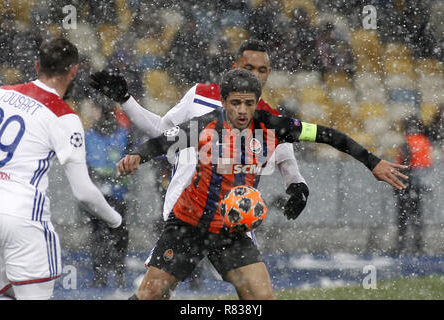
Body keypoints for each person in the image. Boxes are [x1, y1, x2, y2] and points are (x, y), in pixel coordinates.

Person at [116, 69, 407, 300]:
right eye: (235, 103)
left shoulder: (273, 126)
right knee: (152, 294)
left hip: (231, 229)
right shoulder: (205, 125)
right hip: (188, 224)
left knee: (262, 297)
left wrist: (372, 162)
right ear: (224, 101)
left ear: (256, 102)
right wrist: (137, 156)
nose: (242, 110)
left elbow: (328, 135)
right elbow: (163, 140)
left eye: (248, 103)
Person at [90, 39, 310, 226]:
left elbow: (289, 165)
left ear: (269, 73)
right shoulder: (200, 95)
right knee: (162, 278)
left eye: (261, 70)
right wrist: (126, 100)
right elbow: (162, 131)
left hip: (232, 220)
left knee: (254, 278)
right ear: (234, 67)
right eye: (248, 68)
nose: (255, 75)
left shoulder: (271, 119)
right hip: (184, 212)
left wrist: (299, 190)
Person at [0, 38, 122, 300]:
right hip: (23, 218)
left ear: (36, 65)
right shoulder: (64, 116)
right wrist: (115, 221)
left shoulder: (3, 92)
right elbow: (84, 192)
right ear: (74, 70)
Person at [83, 104, 131, 288]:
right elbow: (85, 165)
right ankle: (100, 273)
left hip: (117, 194)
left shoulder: (123, 135)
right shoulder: (88, 136)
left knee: (117, 234)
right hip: (97, 195)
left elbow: (130, 161)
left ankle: (117, 273)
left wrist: (115, 175)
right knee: (99, 234)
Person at [394, 115, 432, 256]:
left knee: (403, 217)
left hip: (407, 184)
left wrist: (399, 184)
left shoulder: (407, 142)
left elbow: (404, 164)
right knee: (417, 216)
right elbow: (427, 164)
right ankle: (419, 245)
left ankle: (402, 245)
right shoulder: (424, 141)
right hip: (419, 184)